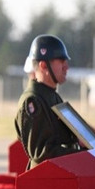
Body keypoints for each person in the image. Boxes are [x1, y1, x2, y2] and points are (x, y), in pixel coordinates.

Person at [15, 34, 83, 169]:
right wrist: (82, 155)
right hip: (46, 179)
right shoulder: (32, 101)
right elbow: (42, 154)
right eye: (61, 61)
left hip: (62, 174)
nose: (66, 67)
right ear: (43, 65)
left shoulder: (52, 96)